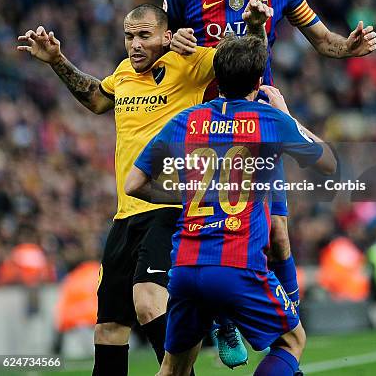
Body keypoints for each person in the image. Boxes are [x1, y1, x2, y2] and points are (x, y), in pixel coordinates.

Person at [17, 0, 270, 376]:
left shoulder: (189, 61)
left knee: (149, 301)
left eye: (144, 36)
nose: (134, 44)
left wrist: (253, 25)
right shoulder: (122, 74)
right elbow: (97, 99)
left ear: (166, 36)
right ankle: (212, 318)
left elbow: (244, 65)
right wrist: (57, 60)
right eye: (129, 37)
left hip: (171, 207)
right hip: (126, 213)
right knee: (108, 328)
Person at [164, 0, 376, 320]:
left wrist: (348, 48)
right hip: (203, 128)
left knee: (278, 234)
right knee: (209, 231)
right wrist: (174, 43)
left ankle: (290, 323)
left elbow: (322, 39)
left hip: (256, 122)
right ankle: (221, 321)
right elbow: (161, 45)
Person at [125, 35, 337, 376]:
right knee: (292, 341)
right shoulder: (267, 119)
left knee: (173, 368)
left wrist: (190, 195)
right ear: (258, 81)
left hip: (184, 268)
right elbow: (328, 163)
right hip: (237, 265)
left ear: (217, 78)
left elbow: (133, 183)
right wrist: (287, 114)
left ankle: (223, 326)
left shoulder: (185, 120)